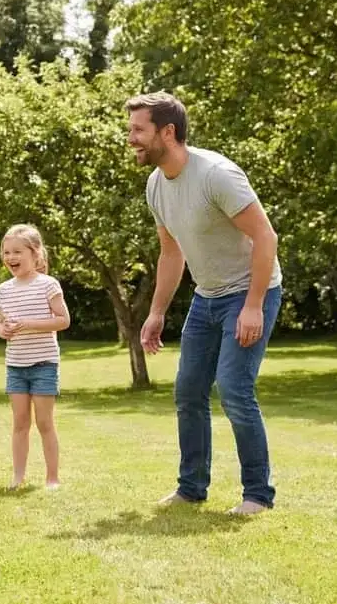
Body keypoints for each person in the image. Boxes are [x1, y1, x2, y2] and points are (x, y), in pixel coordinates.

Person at [126, 91, 283, 516]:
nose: (131, 139)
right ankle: (191, 488)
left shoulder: (217, 175)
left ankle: (257, 495)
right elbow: (171, 253)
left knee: (234, 388)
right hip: (207, 297)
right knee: (189, 391)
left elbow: (265, 237)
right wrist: (156, 312)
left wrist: (253, 305)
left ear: (168, 132)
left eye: (138, 130)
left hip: (252, 291)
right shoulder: (156, 185)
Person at [0, 223, 71, 490]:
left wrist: (29, 323)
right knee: (20, 423)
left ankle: (52, 478)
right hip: (16, 365)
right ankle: (18, 477)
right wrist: (5, 330)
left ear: (35, 253)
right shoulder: (4, 290)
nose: (11, 258)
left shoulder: (48, 285)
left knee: (45, 422)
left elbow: (63, 321)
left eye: (17, 252)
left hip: (43, 365)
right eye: (6, 252)